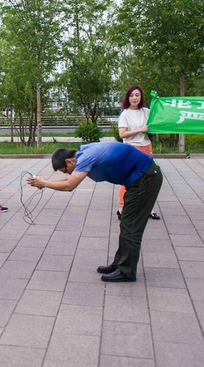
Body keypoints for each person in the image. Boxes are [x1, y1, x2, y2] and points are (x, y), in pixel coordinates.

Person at [28, 141, 163, 282]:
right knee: (127, 224)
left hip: (145, 179)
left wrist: (44, 183)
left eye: (67, 170)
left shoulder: (86, 157)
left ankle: (126, 271)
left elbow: (69, 185)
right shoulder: (82, 154)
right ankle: (119, 264)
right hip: (141, 178)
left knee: (131, 226)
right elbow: (71, 180)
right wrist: (45, 182)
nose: (69, 173)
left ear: (69, 160)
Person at [117, 85, 160, 220]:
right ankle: (121, 208)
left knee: (149, 179)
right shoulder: (125, 114)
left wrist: (158, 103)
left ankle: (149, 208)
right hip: (132, 149)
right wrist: (140, 130)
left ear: (141, 96)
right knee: (129, 179)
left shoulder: (146, 111)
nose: (134, 98)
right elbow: (122, 134)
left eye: (137, 95)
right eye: (131, 95)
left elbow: (157, 120)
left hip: (146, 147)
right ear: (127, 98)